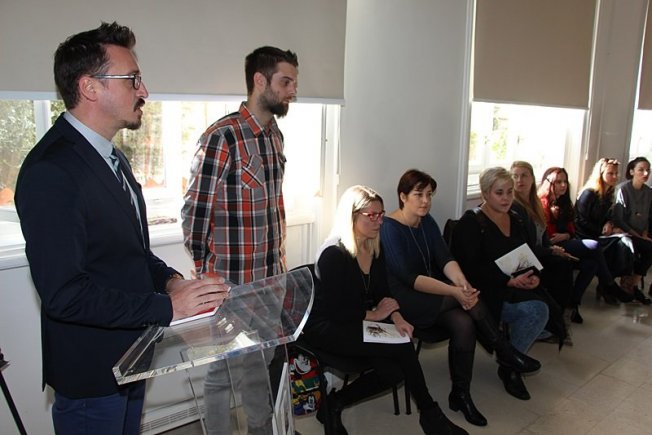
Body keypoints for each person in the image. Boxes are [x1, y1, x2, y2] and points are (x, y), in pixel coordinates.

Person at [13, 22, 228, 435]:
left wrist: (173, 283)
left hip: (131, 358)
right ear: (90, 87)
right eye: (132, 79)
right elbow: (65, 295)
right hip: (92, 375)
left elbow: (131, 253)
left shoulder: (112, 158)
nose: (143, 90)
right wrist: (168, 308)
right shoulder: (51, 171)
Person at [181, 46, 298, 434]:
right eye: (285, 82)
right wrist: (205, 273)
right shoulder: (222, 137)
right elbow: (195, 211)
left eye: (294, 83)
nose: (292, 91)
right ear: (259, 81)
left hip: (268, 281)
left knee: (260, 365)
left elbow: (272, 209)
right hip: (229, 285)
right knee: (222, 374)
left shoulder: (275, 136)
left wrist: (279, 273)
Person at [303, 185, 468, 435]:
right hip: (326, 327)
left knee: (395, 368)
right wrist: (376, 315)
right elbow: (337, 312)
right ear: (351, 216)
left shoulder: (374, 247)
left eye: (381, 214)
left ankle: (335, 402)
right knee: (402, 347)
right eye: (372, 215)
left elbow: (383, 293)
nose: (380, 221)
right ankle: (431, 415)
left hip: (356, 320)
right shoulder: (333, 254)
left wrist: (397, 318)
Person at [380, 169, 540, 423]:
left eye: (429, 195)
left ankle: (460, 394)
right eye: (418, 195)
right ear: (403, 196)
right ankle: (504, 350)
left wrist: (462, 284)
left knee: (464, 322)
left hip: (432, 294)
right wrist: (455, 292)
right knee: (463, 299)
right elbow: (410, 278)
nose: (425, 201)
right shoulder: (389, 228)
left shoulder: (426, 221)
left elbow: (445, 258)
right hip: (404, 300)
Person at [451, 167, 551, 402]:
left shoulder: (516, 218)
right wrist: (507, 280)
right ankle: (511, 364)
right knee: (535, 310)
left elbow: (526, 254)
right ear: (485, 193)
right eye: (499, 193)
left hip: (512, 287)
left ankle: (510, 363)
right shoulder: (471, 223)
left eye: (509, 192)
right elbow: (470, 270)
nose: (506, 198)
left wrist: (533, 275)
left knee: (543, 309)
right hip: (483, 293)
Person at [537, 167, 631, 322]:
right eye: (558, 182)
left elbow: (571, 229)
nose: (563, 185)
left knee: (592, 264)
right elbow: (546, 236)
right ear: (549, 183)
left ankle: (573, 305)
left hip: (567, 242)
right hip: (552, 248)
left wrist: (566, 235)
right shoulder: (542, 203)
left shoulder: (564, 202)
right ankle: (609, 284)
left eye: (565, 181)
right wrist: (561, 237)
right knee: (594, 246)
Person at [575, 158, 636, 297]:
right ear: (601, 174)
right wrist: (603, 231)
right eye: (610, 173)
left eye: (616, 173)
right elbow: (579, 221)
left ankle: (608, 284)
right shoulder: (589, 193)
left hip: (600, 234)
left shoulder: (609, 194)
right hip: (584, 235)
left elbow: (609, 216)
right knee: (614, 247)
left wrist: (609, 223)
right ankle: (609, 285)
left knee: (623, 245)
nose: (615, 177)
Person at [612, 157, 652, 304]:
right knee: (642, 248)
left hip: (641, 233)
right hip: (625, 233)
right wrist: (637, 235)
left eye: (648, 170)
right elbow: (619, 219)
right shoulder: (623, 189)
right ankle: (626, 286)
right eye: (641, 170)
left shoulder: (649, 192)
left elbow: (647, 216)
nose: (646, 173)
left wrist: (645, 233)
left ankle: (633, 285)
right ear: (632, 171)